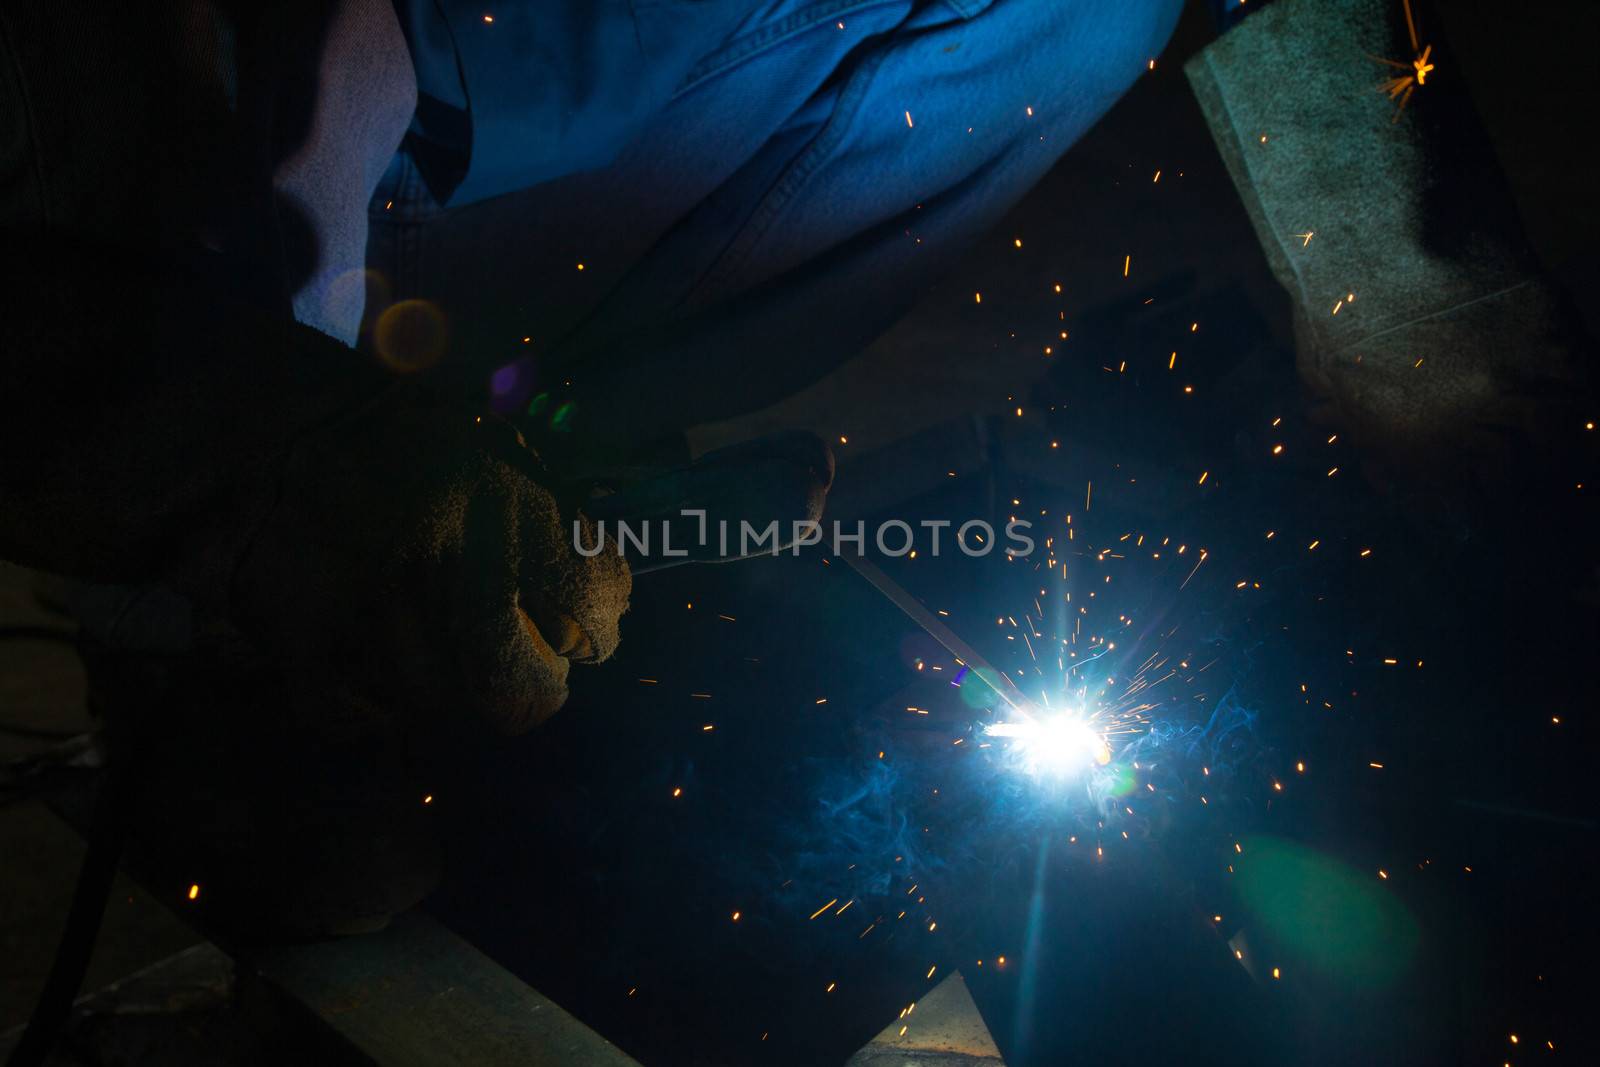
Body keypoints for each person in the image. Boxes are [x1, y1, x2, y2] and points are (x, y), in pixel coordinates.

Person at [0, 0, 1180, 934]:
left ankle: (525, 469)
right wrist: (288, 440)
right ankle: (209, 628)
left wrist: (570, 466)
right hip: (171, 190)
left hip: (419, 136)